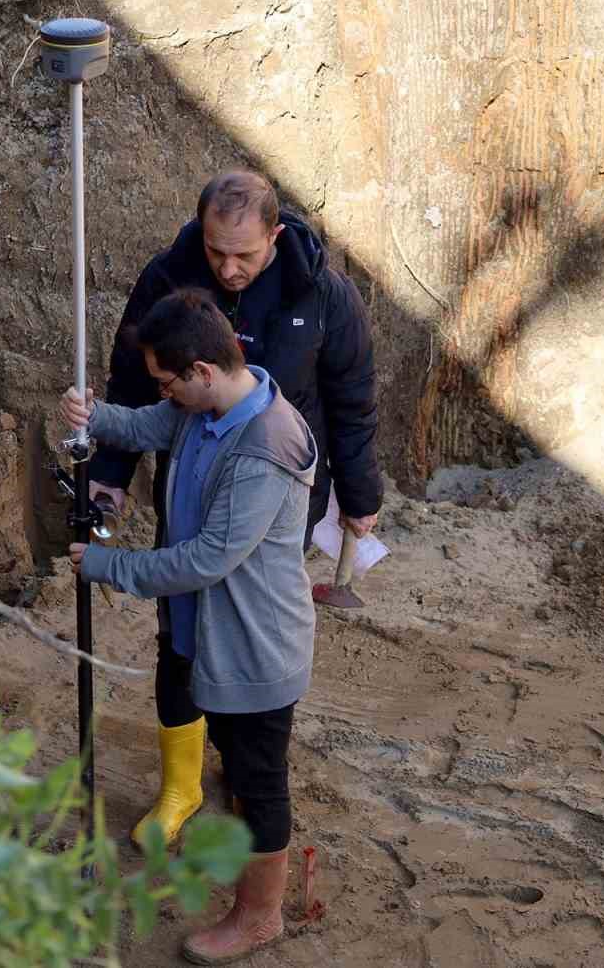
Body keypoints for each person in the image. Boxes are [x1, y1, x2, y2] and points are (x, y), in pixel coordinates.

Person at [88, 169, 382, 852]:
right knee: (183, 628)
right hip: (191, 482)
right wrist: (109, 477)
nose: (228, 268)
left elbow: (352, 397)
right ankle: (181, 784)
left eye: (244, 255)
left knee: (251, 626)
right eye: (217, 251)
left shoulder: (321, 294)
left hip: (277, 490)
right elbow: (135, 386)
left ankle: (251, 760)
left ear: (275, 235)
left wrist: (360, 496)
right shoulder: (168, 280)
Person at [64, 288, 316, 964]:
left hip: (253, 649)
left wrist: (107, 567)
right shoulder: (204, 410)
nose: (164, 394)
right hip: (197, 632)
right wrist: (98, 415)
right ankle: (216, 836)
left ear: (203, 372)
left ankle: (260, 917)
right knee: (219, 749)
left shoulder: (265, 447)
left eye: (167, 381)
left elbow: (207, 560)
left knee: (258, 785)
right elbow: (150, 427)